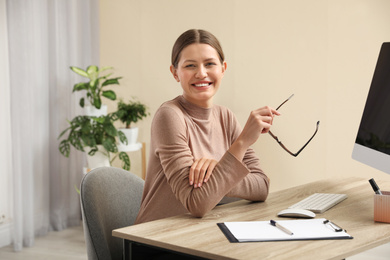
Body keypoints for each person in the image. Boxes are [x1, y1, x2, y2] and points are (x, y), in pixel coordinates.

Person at [134, 29, 279, 224]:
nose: (201, 73)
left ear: (223, 68)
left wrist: (217, 171)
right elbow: (196, 203)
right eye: (190, 65)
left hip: (203, 233)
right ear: (175, 72)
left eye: (210, 64)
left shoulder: (226, 117)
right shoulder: (169, 116)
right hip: (155, 241)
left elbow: (262, 187)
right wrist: (242, 142)